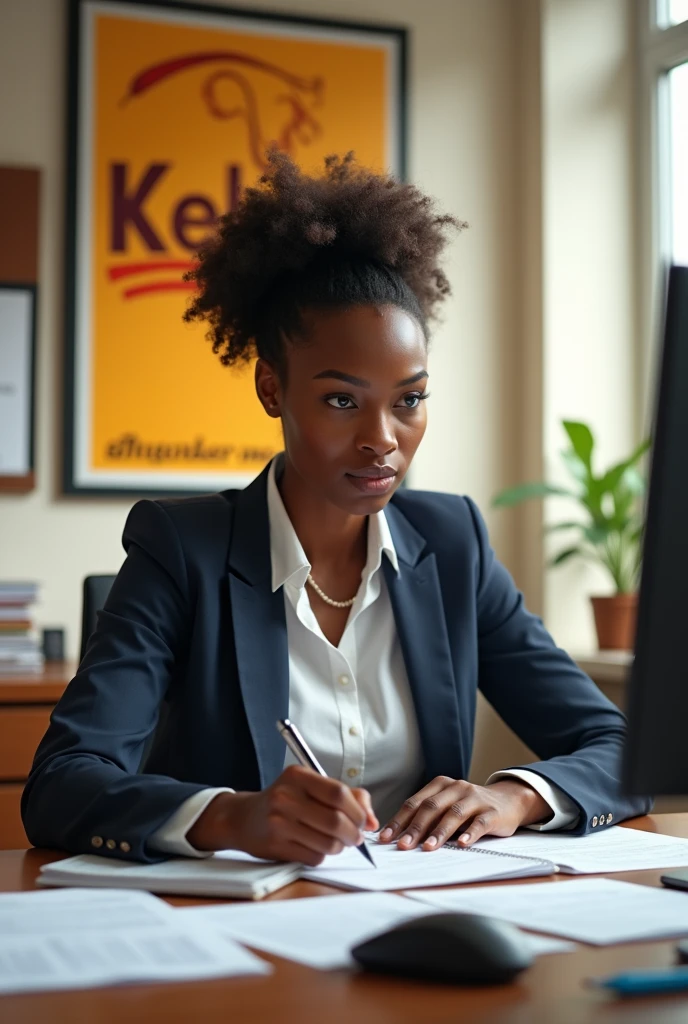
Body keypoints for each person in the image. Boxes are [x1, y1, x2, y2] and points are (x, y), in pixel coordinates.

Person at [22, 151, 651, 865]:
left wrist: (515, 795)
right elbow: (63, 785)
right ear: (271, 389)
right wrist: (233, 818)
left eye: (409, 400)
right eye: (342, 400)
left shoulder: (454, 547)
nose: (383, 440)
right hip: (242, 936)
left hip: (418, 917)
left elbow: (622, 748)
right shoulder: (181, 550)